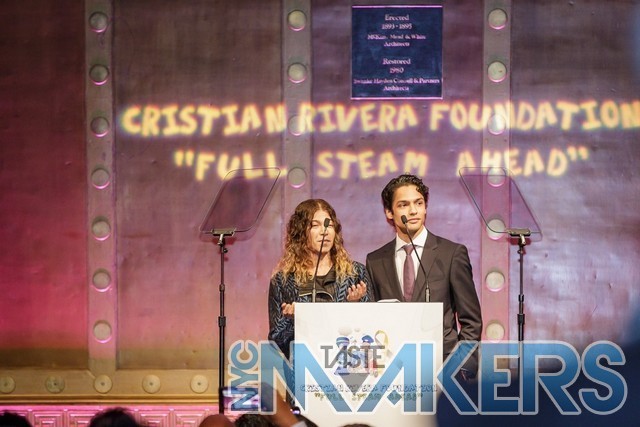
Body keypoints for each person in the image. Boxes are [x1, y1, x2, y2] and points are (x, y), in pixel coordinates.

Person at [365, 174, 482, 376]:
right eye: (403, 205)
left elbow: (471, 320)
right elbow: (374, 320)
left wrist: (462, 365)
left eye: (418, 203)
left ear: (425, 207)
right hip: (393, 370)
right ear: (389, 212)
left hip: (444, 368)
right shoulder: (375, 260)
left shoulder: (451, 254)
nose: (413, 211)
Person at [268, 199, 370, 360]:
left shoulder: (355, 273)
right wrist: (293, 321)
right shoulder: (283, 280)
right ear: (300, 232)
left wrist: (353, 306)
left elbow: (369, 332)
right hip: (305, 367)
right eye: (315, 225)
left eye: (329, 225)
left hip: (347, 366)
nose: (324, 231)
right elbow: (276, 341)